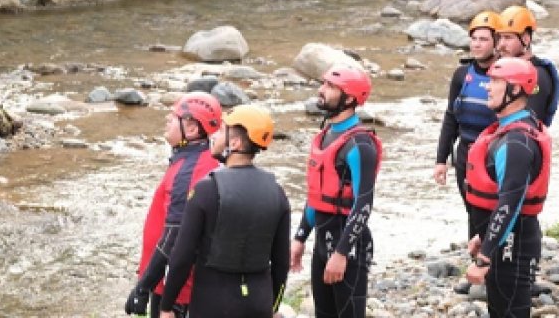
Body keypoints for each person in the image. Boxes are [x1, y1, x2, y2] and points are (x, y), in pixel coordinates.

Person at [158, 105, 291, 318]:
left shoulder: (206, 190)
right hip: (258, 301)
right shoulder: (277, 193)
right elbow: (281, 262)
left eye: (221, 131)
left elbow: (182, 256)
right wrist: (273, 306)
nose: (214, 136)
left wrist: (166, 306)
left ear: (235, 143)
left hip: (212, 303)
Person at [463, 57, 552, 318]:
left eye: (495, 81)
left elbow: (509, 204)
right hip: (507, 242)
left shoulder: (516, 143)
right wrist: (485, 237)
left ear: (514, 89)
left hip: (514, 245)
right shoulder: (509, 131)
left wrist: (485, 256)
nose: (487, 87)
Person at [289, 65, 381, 318]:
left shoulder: (360, 145)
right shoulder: (325, 136)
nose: (321, 90)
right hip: (322, 242)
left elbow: (363, 205)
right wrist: (300, 237)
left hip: (349, 247)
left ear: (349, 99)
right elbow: (316, 195)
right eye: (324, 83)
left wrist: (341, 253)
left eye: (330, 86)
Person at [125, 93, 224, 318]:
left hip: (176, 290)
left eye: (175, 116)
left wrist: (143, 287)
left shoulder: (188, 172)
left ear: (192, 129)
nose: (168, 119)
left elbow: (175, 237)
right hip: (182, 285)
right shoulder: (199, 159)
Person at [434, 11, 500, 292]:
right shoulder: (462, 75)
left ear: (496, 42)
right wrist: (441, 159)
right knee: (473, 210)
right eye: (474, 39)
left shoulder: (505, 74)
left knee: (496, 211)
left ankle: (498, 267)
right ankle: (478, 268)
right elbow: (451, 117)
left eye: (483, 39)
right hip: (465, 154)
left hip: (494, 155)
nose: (477, 44)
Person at [494, 5, 559, 127]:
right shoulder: (510, 71)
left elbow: (530, 124)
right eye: (500, 37)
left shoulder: (538, 75)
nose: (501, 45)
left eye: (508, 37)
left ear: (525, 39)